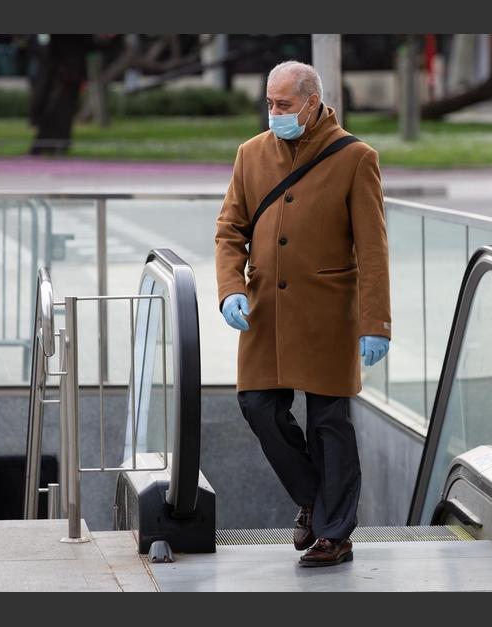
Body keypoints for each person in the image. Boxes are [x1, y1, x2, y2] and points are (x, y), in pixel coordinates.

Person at [214, 60, 391, 567]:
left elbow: (374, 250)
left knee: (329, 422)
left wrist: (374, 323)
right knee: (257, 405)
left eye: (284, 105)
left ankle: (335, 535)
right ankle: (314, 498)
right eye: (269, 103)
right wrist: (230, 288)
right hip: (265, 311)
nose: (274, 113)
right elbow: (230, 230)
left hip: (328, 315)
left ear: (312, 103)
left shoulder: (356, 158)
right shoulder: (250, 154)